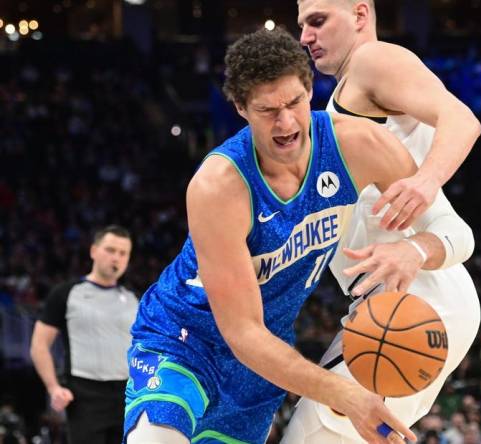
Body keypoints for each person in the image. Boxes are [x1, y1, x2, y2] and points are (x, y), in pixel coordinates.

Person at [119, 27, 455, 444]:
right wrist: (347, 396)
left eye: (294, 102)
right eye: (267, 110)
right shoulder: (219, 185)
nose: (286, 122)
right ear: (240, 108)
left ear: (310, 88)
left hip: (263, 359)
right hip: (185, 337)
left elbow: (452, 229)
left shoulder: (359, 144)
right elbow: (241, 331)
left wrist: (415, 250)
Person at [283, 1, 481, 442]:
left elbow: (461, 119)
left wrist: (426, 181)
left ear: (359, 15)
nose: (305, 37)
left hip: (416, 300)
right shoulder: (344, 93)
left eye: (317, 21)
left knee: (314, 432)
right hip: (399, 301)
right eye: (301, 25)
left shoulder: (373, 60)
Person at [30, 225, 137, 444]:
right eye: (110, 250)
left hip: (128, 394)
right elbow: (39, 345)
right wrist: (53, 387)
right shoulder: (66, 293)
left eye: (123, 253)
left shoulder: (135, 298)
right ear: (93, 251)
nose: (116, 257)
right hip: (85, 395)